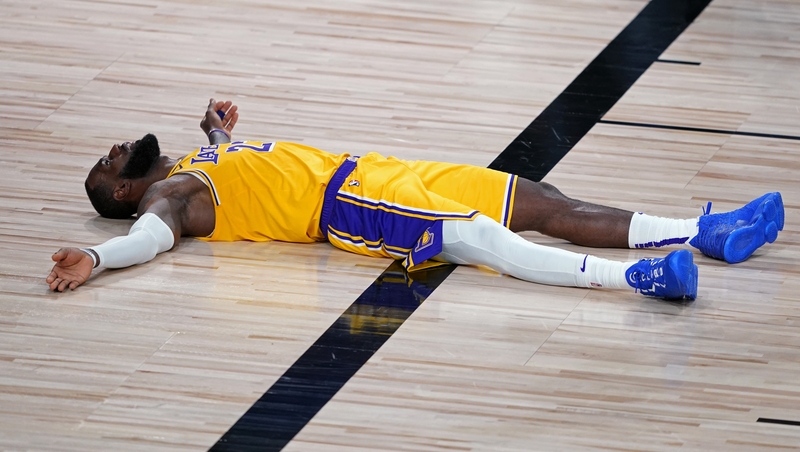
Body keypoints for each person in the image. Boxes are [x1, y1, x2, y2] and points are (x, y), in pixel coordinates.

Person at [46, 99, 784, 300]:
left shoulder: (200, 158)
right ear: (124, 191)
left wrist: (216, 126)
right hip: (348, 206)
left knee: (537, 198)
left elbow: (231, 157)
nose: (112, 148)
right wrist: (98, 258)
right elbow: (148, 239)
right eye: (105, 165)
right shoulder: (171, 196)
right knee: (480, 238)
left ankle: (703, 232)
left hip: (378, 169)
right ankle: (640, 279)